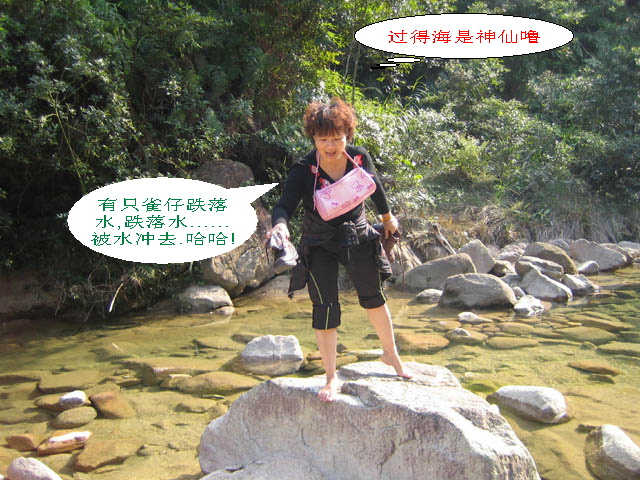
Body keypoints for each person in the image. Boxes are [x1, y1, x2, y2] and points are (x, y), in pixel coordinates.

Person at [268, 98, 411, 403]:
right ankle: (331, 376)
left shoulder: (358, 158)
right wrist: (280, 226)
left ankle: (391, 354)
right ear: (313, 138)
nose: (330, 146)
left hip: (357, 234)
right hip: (319, 241)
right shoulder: (303, 169)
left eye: (337, 138)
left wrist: (387, 218)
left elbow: (375, 187)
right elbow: (284, 205)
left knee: (374, 297)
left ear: (348, 135)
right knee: (325, 306)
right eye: (323, 139)